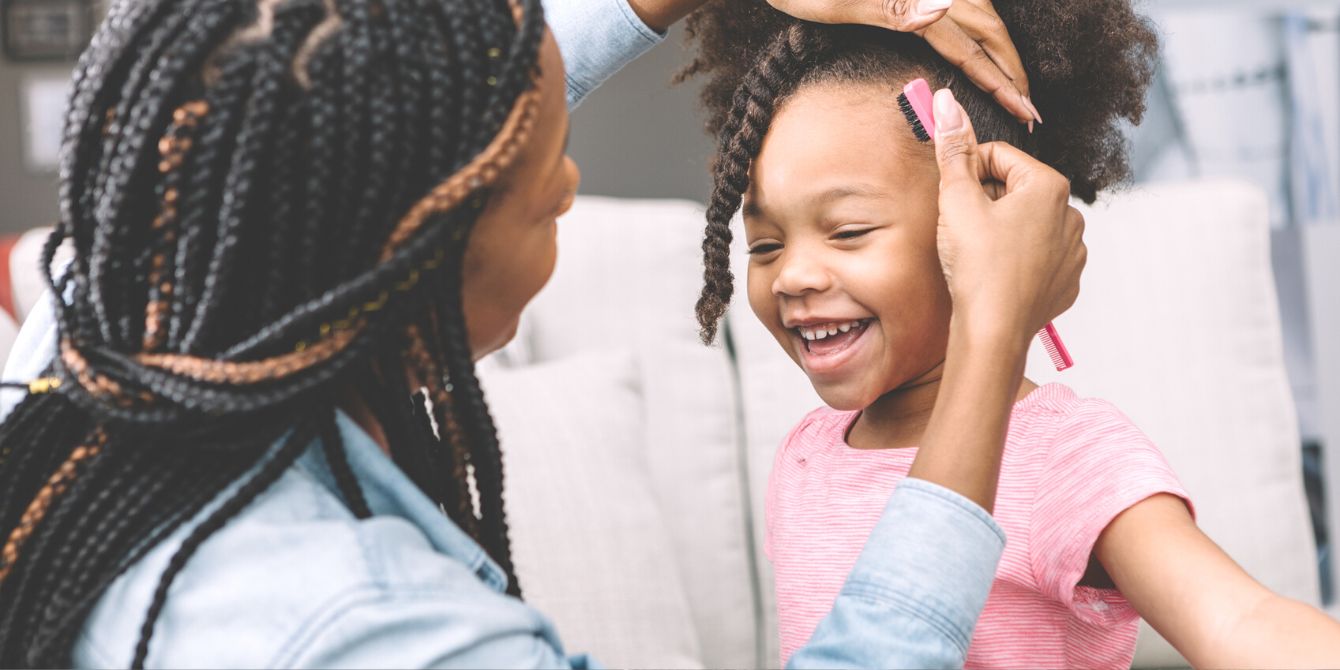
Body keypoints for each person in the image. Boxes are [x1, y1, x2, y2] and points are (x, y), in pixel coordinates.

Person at [0, 0, 1081, 666]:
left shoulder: (110, 332)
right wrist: (990, 329)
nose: (569, 178)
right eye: (545, 196)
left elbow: (373, 113)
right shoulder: (363, 631)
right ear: (419, 256)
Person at [681, 1, 1340, 668]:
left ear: (987, 219)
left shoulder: (1064, 455)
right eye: (763, 245)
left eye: (849, 231)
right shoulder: (806, 453)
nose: (792, 274)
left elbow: (1240, 619)